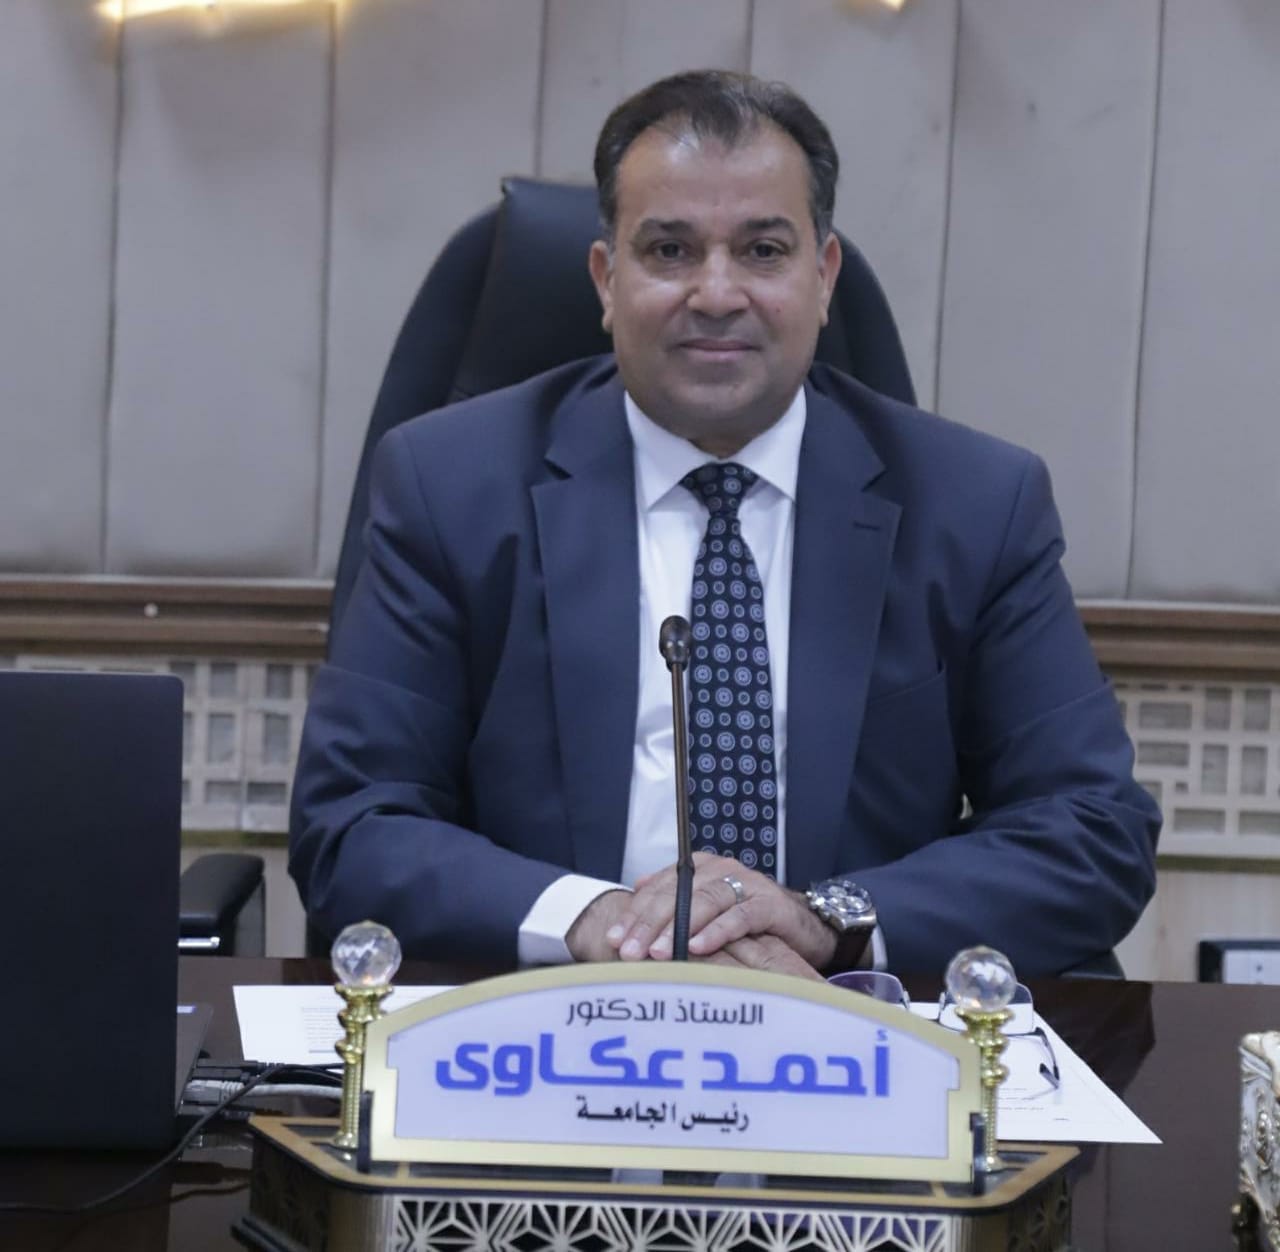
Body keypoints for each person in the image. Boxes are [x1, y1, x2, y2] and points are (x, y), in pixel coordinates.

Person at [289, 70, 1159, 980]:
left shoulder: (973, 503)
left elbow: (1093, 827)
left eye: (762, 251)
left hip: (848, 1028)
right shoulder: (450, 486)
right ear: (606, 279)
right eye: (669, 250)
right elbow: (352, 823)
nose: (715, 292)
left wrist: (827, 921)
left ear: (823, 277)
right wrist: (591, 919)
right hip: (544, 1022)